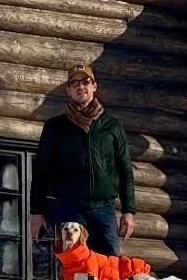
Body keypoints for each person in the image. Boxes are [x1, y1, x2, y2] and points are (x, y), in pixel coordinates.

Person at [29, 65, 137, 259]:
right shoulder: (56, 127)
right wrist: (36, 212)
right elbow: (41, 171)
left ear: (94, 86)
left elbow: (125, 170)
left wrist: (129, 211)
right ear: (68, 90)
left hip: (104, 208)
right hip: (69, 207)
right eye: (75, 83)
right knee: (73, 264)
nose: (81, 87)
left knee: (109, 266)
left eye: (86, 82)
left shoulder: (112, 126)